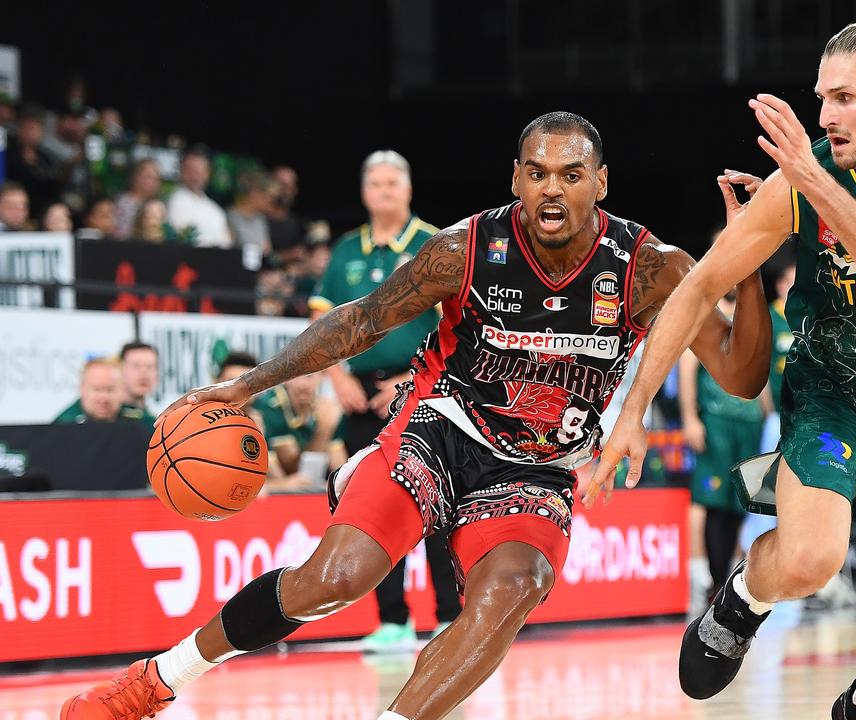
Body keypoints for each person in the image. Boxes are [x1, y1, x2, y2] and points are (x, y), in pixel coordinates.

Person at [62, 111, 772, 720]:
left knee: (513, 591)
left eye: (571, 173)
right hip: (441, 426)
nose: (553, 187)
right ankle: (154, 683)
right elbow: (363, 321)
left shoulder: (650, 267)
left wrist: (746, 260)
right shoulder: (466, 247)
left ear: (601, 182)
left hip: (538, 464)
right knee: (335, 579)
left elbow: (742, 377)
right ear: (516, 179)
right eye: (537, 172)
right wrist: (248, 386)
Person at [587, 11, 856, 718]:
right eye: (820, 99)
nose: (825, 115)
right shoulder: (803, 178)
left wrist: (813, 184)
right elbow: (698, 286)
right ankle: (743, 597)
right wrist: (630, 411)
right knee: (813, 558)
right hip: (832, 383)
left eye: (844, 98)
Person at [308, 149, 454, 653]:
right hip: (359, 396)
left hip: (424, 392)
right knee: (370, 509)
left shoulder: (436, 244)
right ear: (364, 191)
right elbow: (323, 324)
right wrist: (337, 377)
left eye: (394, 183)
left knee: (436, 505)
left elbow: (460, 326)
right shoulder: (347, 250)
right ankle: (392, 621)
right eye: (377, 184)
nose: (385, 191)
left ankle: (448, 618)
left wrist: (411, 380)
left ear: (408, 189)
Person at [680, 291, 768, 600]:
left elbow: (760, 363)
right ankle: (712, 578)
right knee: (713, 501)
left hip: (748, 422)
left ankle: (728, 577)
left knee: (739, 503)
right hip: (716, 422)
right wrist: (690, 417)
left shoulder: (753, 310)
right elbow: (688, 364)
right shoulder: (706, 309)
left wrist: (767, 411)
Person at [251, 373, 347, 492]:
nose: (303, 384)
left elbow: (341, 468)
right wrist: (324, 429)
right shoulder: (270, 407)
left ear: (322, 377)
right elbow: (292, 472)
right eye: (295, 375)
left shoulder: (325, 407)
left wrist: (338, 484)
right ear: (284, 378)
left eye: (310, 376)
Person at [167, 146, 231, 247]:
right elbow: (180, 238)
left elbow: (226, 243)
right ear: (182, 171)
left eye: (200, 170)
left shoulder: (216, 211)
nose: (195, 175)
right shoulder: (172, 201)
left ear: (207, 174)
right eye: (191, 170)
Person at [51, 358, 150, 424]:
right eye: (97, 389)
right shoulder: (64, 424)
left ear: (122, 390)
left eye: (110, 389)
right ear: (82, 389)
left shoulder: (140, 421)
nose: (103, 397)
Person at [119, 342, 159, 424]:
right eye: (136, 366)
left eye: (150, 366)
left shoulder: (154, 421)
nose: (144, 373)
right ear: (120, 369)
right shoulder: (106, 416)